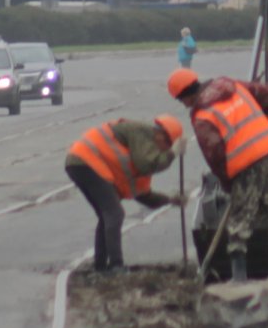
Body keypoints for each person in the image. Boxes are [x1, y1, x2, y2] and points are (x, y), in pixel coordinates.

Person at [169, 66, 268, 281]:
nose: (185, 105)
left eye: (182, 101)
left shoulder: (202, 116)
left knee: (240, 218)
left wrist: (227, 183)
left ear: (185, 97)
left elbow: (215, 155)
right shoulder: (232, 86)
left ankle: (239, 276)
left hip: (246, 164)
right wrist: (265, 126)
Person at [65, 115, 183, 274]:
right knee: (114, 213)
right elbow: (147, 163)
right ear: (161, 135)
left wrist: (170, 200)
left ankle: (101, 266)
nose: (164, 151)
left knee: (107, 215)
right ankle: (116, 266)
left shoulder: (141, 155)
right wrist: (172, 155)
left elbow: (145, 196)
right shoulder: (142, 134)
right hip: (86, 161)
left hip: (80, 163)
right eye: (167, 146)